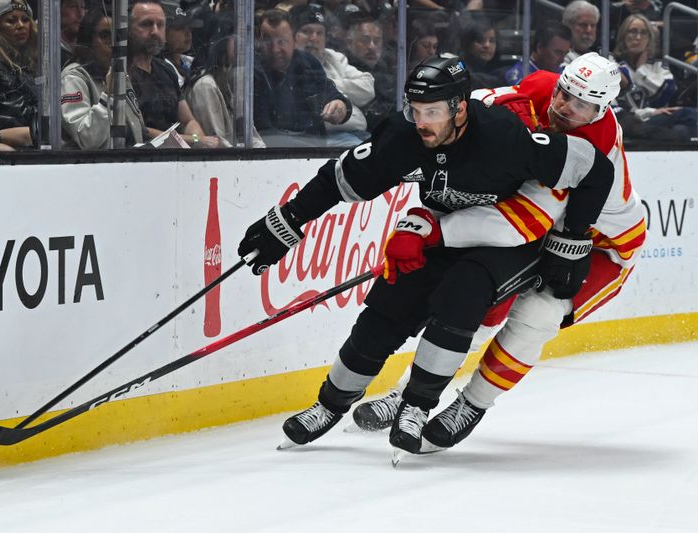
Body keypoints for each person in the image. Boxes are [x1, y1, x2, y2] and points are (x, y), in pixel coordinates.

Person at [236, 56, 615, 457]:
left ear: (460, 108)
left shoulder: (503, 137)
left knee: (463, 296)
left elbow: (596, 172)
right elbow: (342, 177)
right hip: (444, 224)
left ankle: (416, 404)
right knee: (387, 307)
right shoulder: (405, 136)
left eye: (432, 112)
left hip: (507, 238)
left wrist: (571, 241)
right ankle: (330, 403)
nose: (421, 122)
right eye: (415, 110)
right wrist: (290, 219)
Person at [353, 53, 646, 455]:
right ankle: (409, 394)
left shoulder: (591, 143)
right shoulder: (541, 87)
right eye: (564, 94)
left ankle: (471, 405)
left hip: (603, 247)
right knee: (480, 300)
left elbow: (522, 219)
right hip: (552, 230)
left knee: (536, 315)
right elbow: (475, 110)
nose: (563, 107)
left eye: (580, 105)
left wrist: (435, 231)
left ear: (601, 109)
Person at [253, 8, 351, 147]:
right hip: (275, 157)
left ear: (295, 40)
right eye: (268, 41)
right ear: (258, 41)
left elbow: (333, 95)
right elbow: (265, 134)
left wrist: (340, 106)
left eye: (282, 41)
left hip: (316, 150)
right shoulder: (254, 72)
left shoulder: (308, 63)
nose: (275, 49)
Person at [127, 0, 218, 147]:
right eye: (146, 24)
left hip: (178, 155)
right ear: (129, 29)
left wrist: (198, 143)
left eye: (160, 25)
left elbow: (188, 121)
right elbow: (139, 129)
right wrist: (194, 140)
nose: (155, 31)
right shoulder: (121, 74)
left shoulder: (166, 70)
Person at [61, 9, 149, 149]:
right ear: (88, 39)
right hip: (94, 166)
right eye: (105, 36)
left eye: (117, 36)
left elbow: (138, 130)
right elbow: (86, 140)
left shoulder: (119, 74)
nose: (113, 43)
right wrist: (108, 97)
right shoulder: (74, 77)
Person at [292, 6, 373, 142]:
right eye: (307, 32)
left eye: (320, 33)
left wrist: (331, 85)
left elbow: (368, 88)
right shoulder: (290, 66)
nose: (314, 38)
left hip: (357, 132)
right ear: (293, 36)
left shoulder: (333, 57)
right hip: (325, 137)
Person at [612, 13, 697, 141]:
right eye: (632, 32)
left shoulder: (659, 65)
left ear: (649, 38)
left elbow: (666, 94)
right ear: (623, 35)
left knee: (683, 128)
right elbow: (616, 107)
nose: (638, 37)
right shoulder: (612, 63)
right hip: (629, 122)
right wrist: (650, 112)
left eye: (643, 33)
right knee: (688, 115)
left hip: (657, 119)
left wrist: (642, 71)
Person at [185, 14, 266, 147]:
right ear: (219, 41)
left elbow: (249, 134)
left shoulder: (227, 79)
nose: (243, 43)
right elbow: (218, 143)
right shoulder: (205, 85)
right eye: (236, 37)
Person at [0, 0, 37, 148]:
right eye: (11, 21)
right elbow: (14, 115)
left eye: (25, 19)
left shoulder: (32, 61)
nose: (20, 25)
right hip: (10, 142)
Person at [344, 14, 395, 131]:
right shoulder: (344, 70)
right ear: (349, 43)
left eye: (377, 41)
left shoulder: (387, 72)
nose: (372, 46)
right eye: (364, 40)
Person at [504, 22, 571, 85]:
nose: (562, 60)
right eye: (557, 52)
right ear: (540, 47)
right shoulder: (520, 77)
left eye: (565, 53)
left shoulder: (564, 73)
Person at [562, 0, 599, 64]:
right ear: (568, 25)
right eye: (583, 25)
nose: (588, 30)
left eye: (593, 25)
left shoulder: (603, 54)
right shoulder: (560, 56)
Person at [60, 0, 86, 67]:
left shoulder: (87, 47)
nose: (81, 14)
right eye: (73, 6)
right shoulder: (42, 41)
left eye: (83, 7)